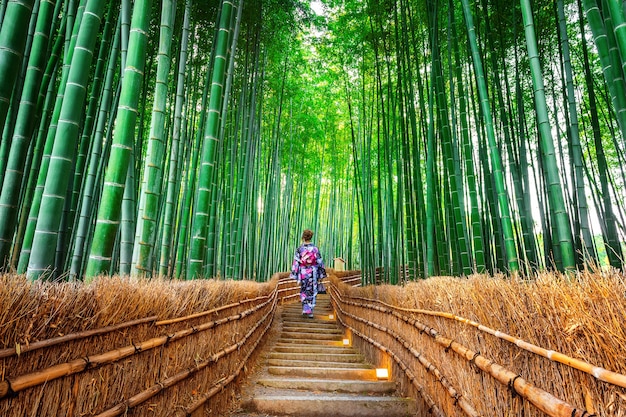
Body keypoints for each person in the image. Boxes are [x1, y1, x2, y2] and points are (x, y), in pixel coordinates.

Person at [289, 229, 327, 318]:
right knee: (312, 290)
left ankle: (305, 308)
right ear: (311, 237)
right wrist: (321, 275)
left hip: (303, 272)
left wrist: (295, 274)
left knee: (304, 289)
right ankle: (310, 311)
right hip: (313, 273)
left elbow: (296, 262)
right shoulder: (315, 249)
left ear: (303, 237)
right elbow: (319, 262)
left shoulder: (299, 249)